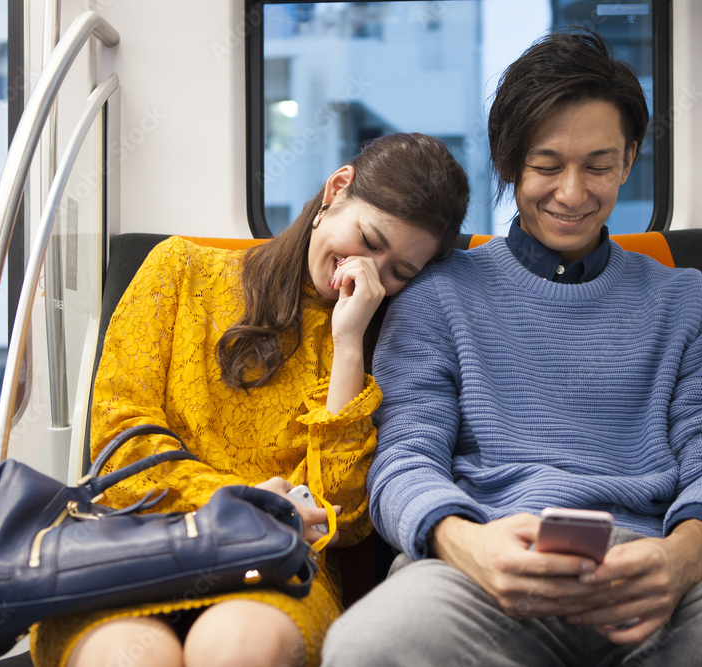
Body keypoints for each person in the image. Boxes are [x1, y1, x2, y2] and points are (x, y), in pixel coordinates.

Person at [321, 30, 702, 666]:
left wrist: (680, 560)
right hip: (480, 583)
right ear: (508, 164)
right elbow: (403, 459)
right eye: (547, 166)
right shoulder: (439, 295)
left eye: (600, 166)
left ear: (631, 158)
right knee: (368, 647)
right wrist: (471, 546)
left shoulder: (686, 300)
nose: (574, 193)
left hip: (659, 581)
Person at [29, 132, 469, 667]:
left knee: (235, 649)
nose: (367, 273)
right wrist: (240, 504)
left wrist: (349, 344)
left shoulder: (385, 336)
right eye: (369, 241)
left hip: (275, 568)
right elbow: (119, 440)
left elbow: (344, 517)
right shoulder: (180, 270)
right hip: (138, 548)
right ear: (337, 190)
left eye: (399, 271)